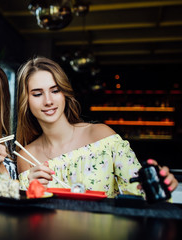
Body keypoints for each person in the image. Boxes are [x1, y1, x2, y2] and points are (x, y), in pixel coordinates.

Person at [15, 56, 178, 198]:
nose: (48, 100)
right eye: (37, 94)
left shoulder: (102, 136)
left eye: (55, 90)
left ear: (64, 93)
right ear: (26, 101)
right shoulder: (26, 156)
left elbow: (138, 191)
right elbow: (27, 218)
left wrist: (160, 184)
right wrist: (31, 192)